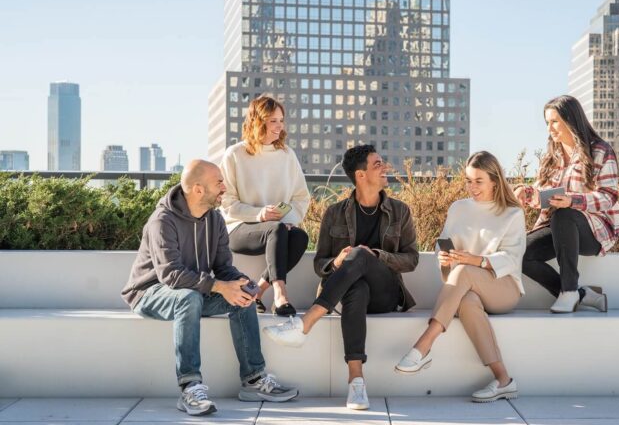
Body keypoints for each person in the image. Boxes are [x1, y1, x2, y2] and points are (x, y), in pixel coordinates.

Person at [121, 160, 298, 417]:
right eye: (219, 183)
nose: (224, 188)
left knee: (244, 293)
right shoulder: (163, 220)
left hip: (192, 289)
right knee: (188, 299)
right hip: (150, 292)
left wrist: (239, 283)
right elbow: (169, 274)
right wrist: (218, 286)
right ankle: (190, 387)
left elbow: (223, 266)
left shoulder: (214, 219)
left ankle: (253, 379)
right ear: (198, 190)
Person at [262, 144, 419, 411]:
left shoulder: (400, 211)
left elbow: (412, 259)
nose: (386, 169)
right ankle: (356, 382)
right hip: (347, 296)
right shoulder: (335, 212)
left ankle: (304, 325)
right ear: (361, 175)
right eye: (378, 164)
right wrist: (335, 261)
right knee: (355, 287)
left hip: (385, 293)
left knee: (360, 255)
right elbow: (319, 263)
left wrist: (376, 256)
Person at [394, 151, 526, 402]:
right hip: (465, 288)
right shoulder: (458, 208)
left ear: (495, 181)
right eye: (468, 180)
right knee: (466, 302)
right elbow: (444, 245)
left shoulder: (512, 213)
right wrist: (444, 258)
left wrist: (473, 261)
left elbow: (511, 259)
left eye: (479, 181)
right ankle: (503, 380)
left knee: (465, 271)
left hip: (504, 288)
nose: (472, 187)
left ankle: (424, 345)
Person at [514, 95, 619, 313]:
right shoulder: (552, 156)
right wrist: (527, 193)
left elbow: (609, 196)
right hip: (557, 227)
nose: (549, 129)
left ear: (570, 120)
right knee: (520, 253)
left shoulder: (600, 151)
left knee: (565, 213)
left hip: (594, 230)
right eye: (547, 123)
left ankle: (570, 292)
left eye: (554, 122)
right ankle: (581, 294)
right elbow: (540, 192)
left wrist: (573, 200)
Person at [220, 96, 311, 317]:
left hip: (277, 228)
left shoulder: (287, 155)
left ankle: (257, 292)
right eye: (273, 121)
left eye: (281, 120)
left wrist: (286, 220)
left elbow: (301, 197)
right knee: (276, 229)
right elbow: (226, 202)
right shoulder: (234, 154)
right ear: (257, 122)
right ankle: (280, 295)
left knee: (299, 237)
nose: (280, 126)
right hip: (238, 229)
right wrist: (260, 215)